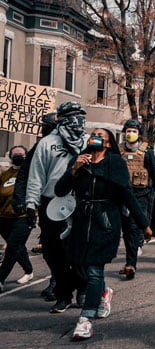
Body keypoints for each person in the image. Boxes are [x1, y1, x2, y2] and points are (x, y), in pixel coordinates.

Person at [54, 128, 153, 339]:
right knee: (80, 266)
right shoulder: (79, 160)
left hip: (105, 222)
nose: (94, 136)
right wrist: (74, 169)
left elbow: (127, 194)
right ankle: (104, 291)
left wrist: (143, 224)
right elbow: (60, 191)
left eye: (100, 134)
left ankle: (85, 319)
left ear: (107, 143)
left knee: (94, 270)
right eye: (93, 133)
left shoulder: (115, 163)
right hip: (81, 221)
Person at [25, 101, 88, 313]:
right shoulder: (46, 143)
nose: (77, 120)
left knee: (78, 251)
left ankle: (83, 288)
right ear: (61, 119)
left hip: (80, 203)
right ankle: (63, 294)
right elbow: (36, 176)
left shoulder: (89, 141)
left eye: (80, 115)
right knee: (53, 252)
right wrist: (30, 204)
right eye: (72, 116)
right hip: (51, 204)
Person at [12, 113, 57, 299]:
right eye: (45, 126)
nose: (46, 130)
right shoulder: (40, 146)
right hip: (46, 201)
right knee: (49, 246)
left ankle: (60, 282)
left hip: (68, 202)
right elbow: (25, 174)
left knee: (67, 246)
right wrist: (21, 199)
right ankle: (57, 277)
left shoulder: (74, 145)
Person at [119, 119, 155, 280]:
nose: (130, 134)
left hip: (141, 196)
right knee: (125, 231)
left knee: (133, 229)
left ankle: (130, 264)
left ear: (139, 134)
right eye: (128, 131)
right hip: (121, 197)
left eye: (134, 131)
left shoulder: (147, 152)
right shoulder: (118, 151)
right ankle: (130, 258)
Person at [0, 146, 34, 293]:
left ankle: (0, 278)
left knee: (12, 248)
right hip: (4, 217)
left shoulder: (30, 173)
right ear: (11, 156)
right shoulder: (5, 174)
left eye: (21, 154)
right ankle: (29, 270)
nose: (18, 156)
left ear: (26, 156)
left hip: (23, 217)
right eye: (15, 154)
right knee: (17, 246)